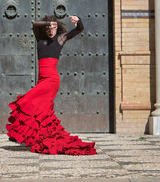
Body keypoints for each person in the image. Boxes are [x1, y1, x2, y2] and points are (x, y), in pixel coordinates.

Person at [6, 15, 96, 155]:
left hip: (51, 80)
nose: (51, 29)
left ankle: (18, 134)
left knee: (27, 100)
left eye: (54, 26)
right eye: (49, 27)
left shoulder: (60, 39)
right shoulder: (40, 39)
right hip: (42, 79)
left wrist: (78, 20)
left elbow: (79, 29)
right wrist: (48, 22)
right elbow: (35, 23)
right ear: (46, 27)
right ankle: (37, 137)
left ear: (57, 27)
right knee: (42, 110)